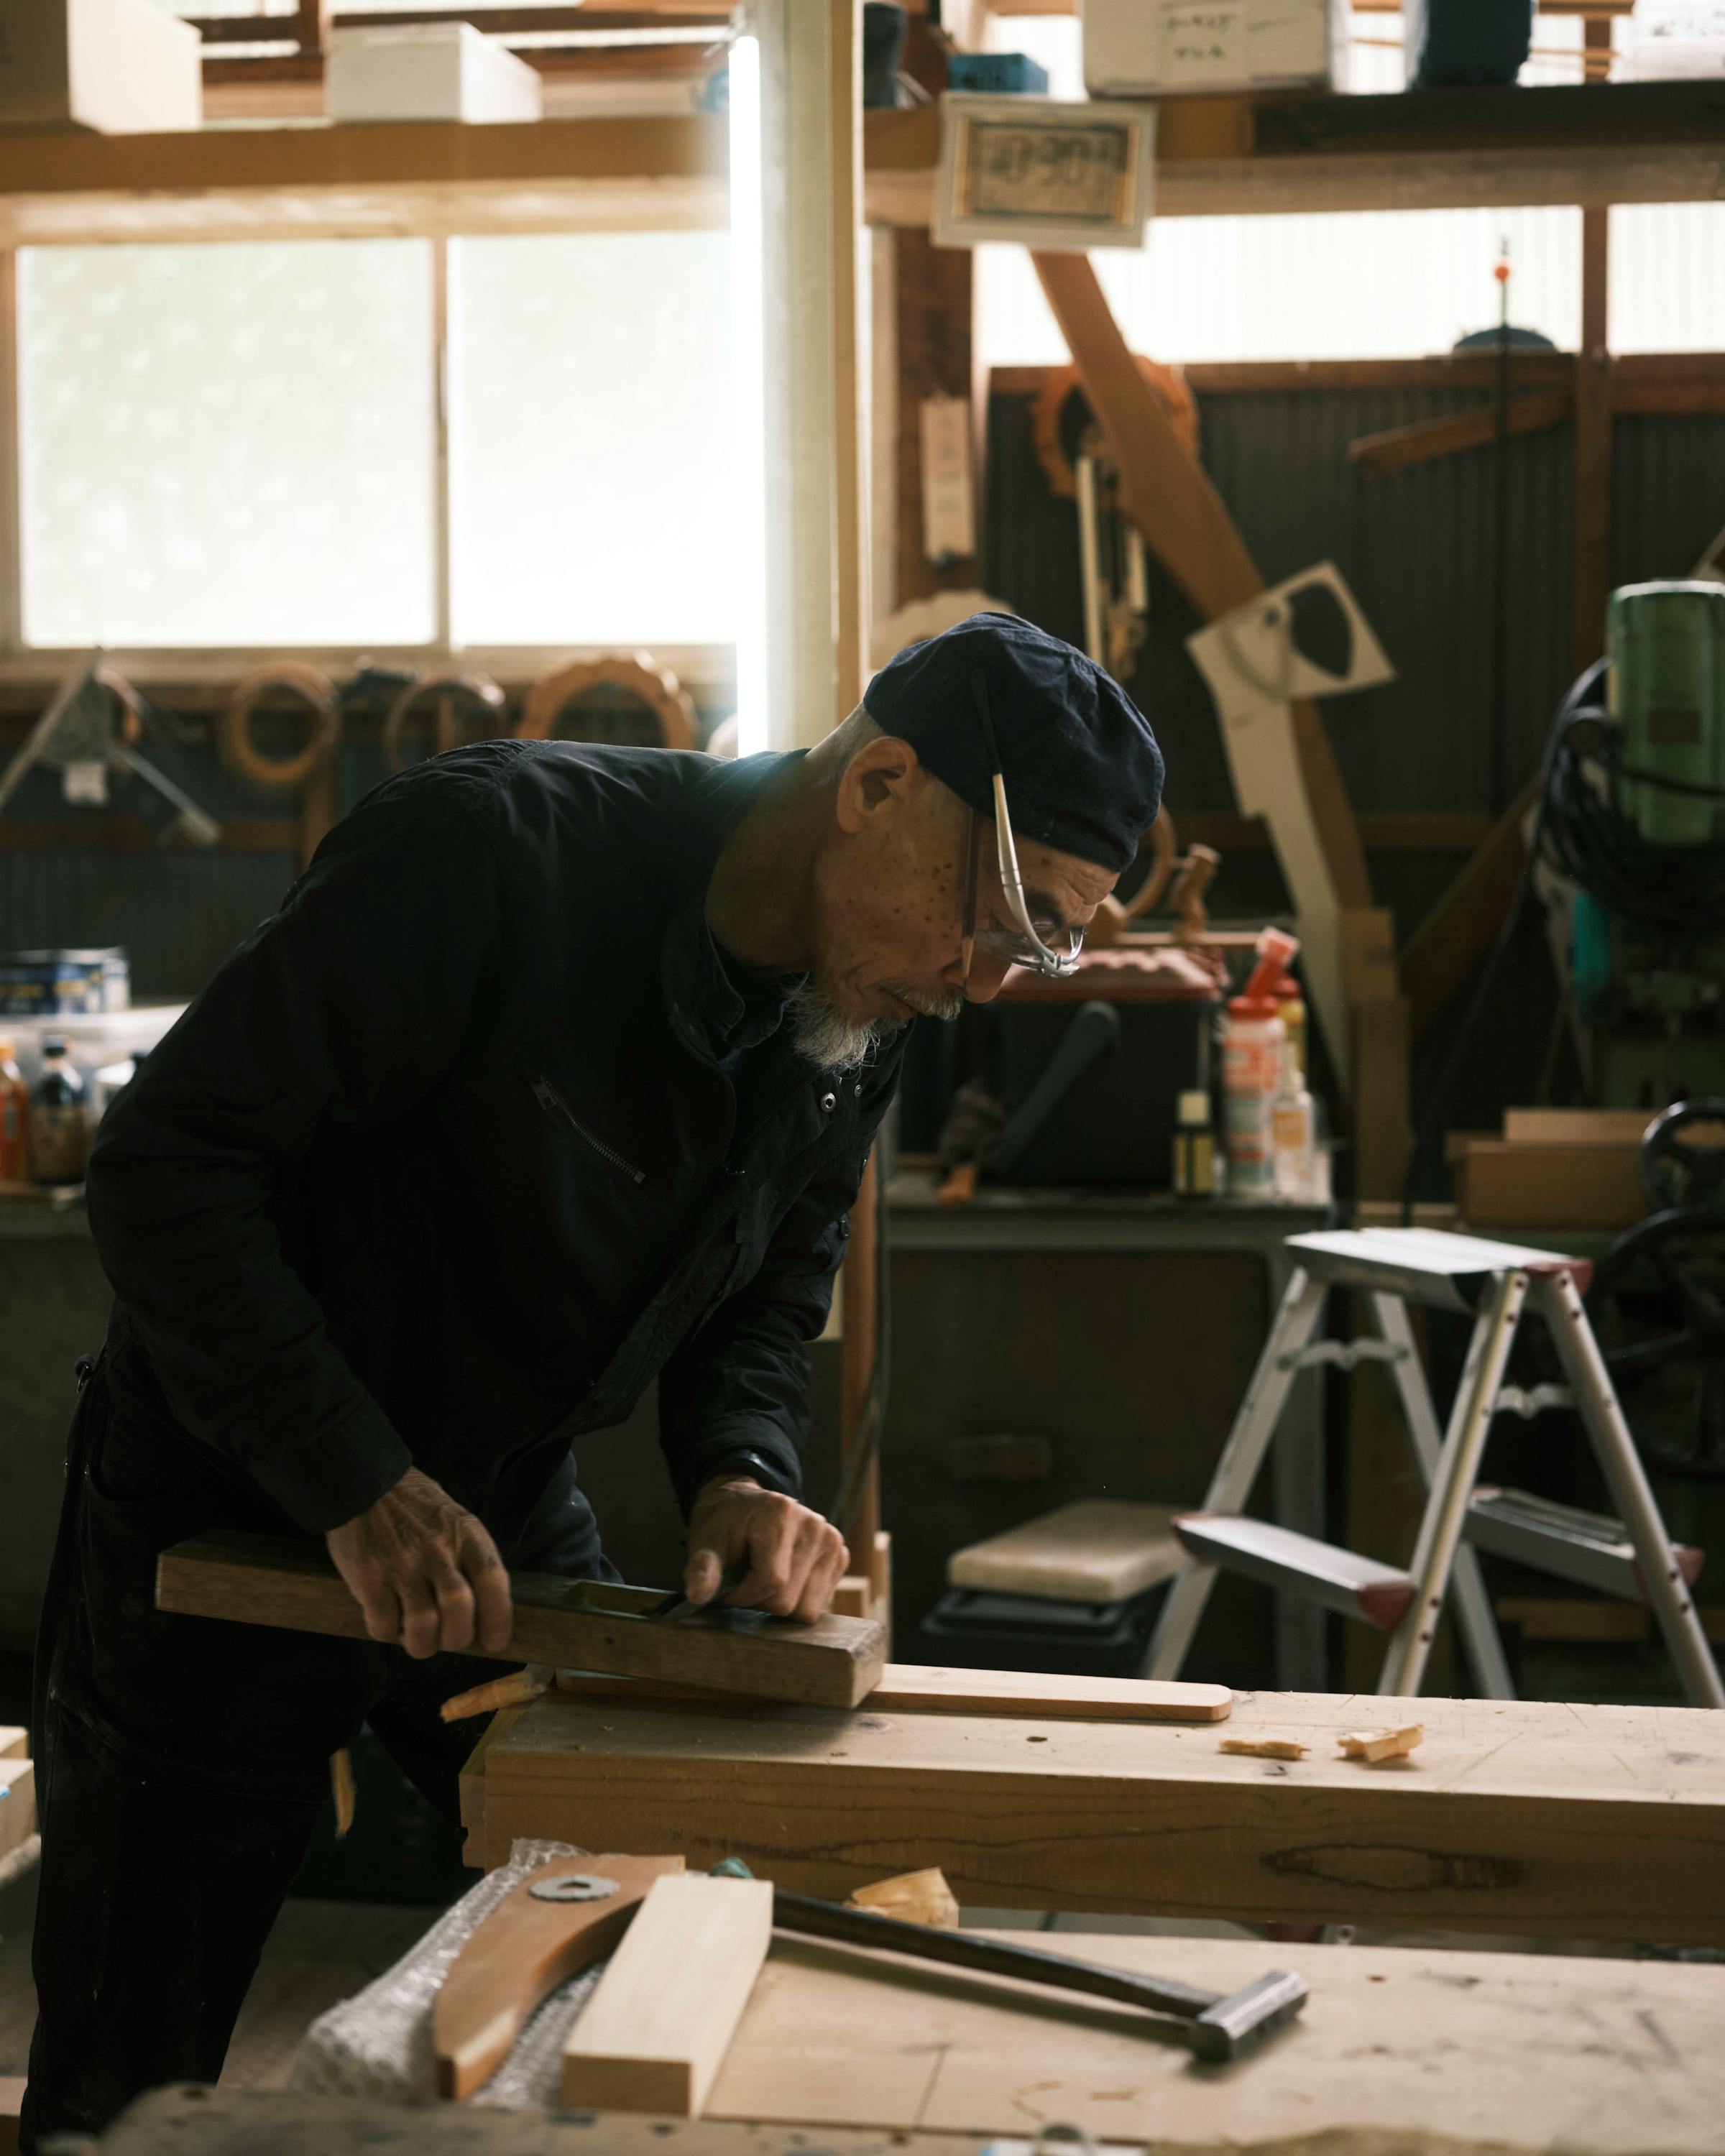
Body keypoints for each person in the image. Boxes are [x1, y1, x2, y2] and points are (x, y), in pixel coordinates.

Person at [22, 612, 1163, 2143]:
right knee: (128, 2064)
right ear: (880, 783)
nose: (983, 983)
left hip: (492, 1515)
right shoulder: (488, 857)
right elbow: (168, 1170)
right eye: (998, 918)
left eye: (1037, 949)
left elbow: (768, 1290)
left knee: (640, 1936)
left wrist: (744, 1469)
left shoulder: (860, 1003)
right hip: (226, 1496)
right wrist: (350, 1474)